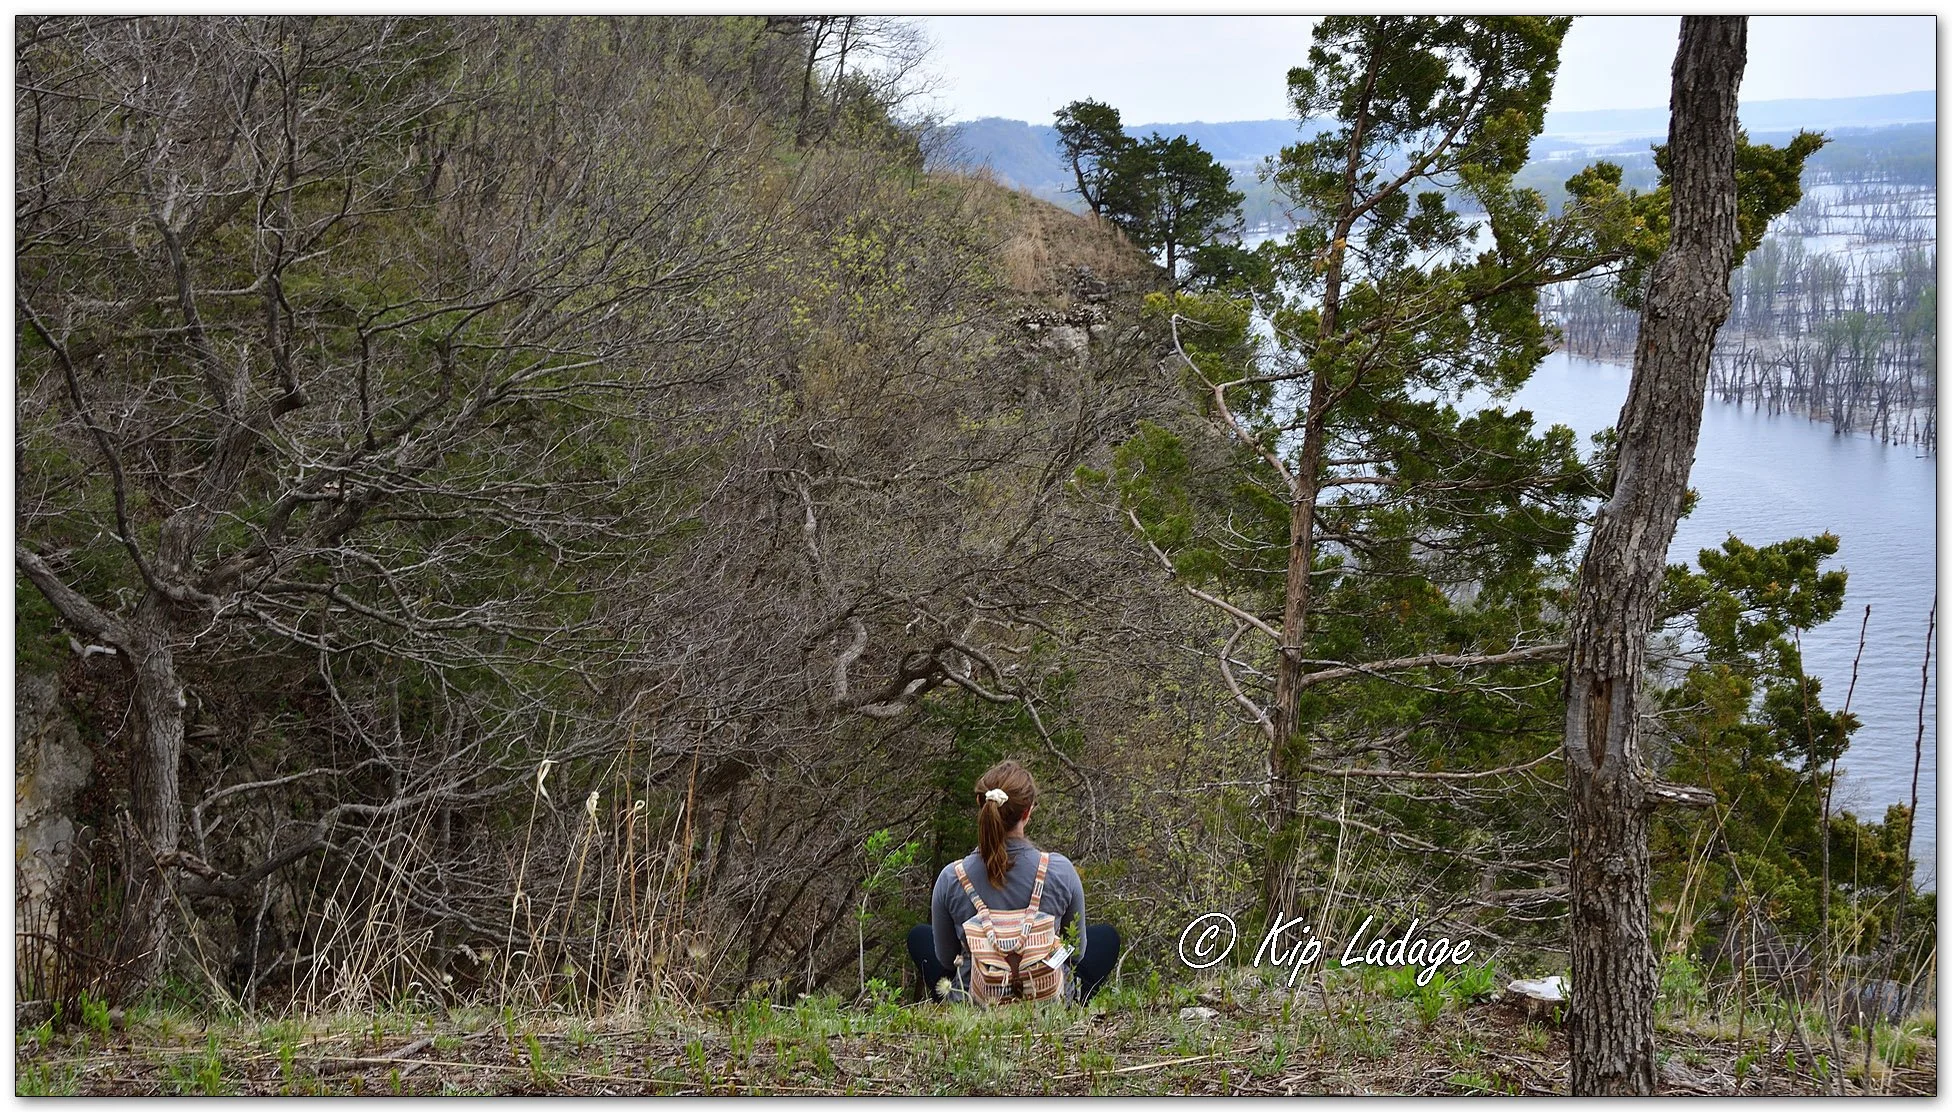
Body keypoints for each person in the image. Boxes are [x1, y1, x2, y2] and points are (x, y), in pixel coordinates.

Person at [906, 759, 1121, 1002]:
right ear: (1027, 812)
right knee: (1106, 937)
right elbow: (1077, 952)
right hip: (1046, 993)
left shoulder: (952, 877)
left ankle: (968, 999)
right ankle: (1062, 1001)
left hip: (977, 996)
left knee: (919, 936)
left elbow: (946, 958)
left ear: (981, 806)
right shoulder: (1060, 870)